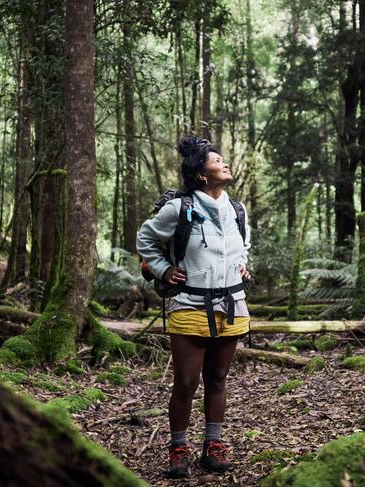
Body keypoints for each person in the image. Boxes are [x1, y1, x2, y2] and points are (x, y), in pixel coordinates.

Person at [136, 135, 251, 478]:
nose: (224, 164)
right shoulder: (179, 209)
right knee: (186, 383)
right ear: (201, 174)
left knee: (217, 380)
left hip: (231, 304)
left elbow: (242, 246)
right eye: (217, 161)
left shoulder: (237, 210)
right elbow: (145, 238)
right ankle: (178, 449)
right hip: (189, 305)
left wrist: (243, 265)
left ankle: (213, 447)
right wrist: (164, 269)